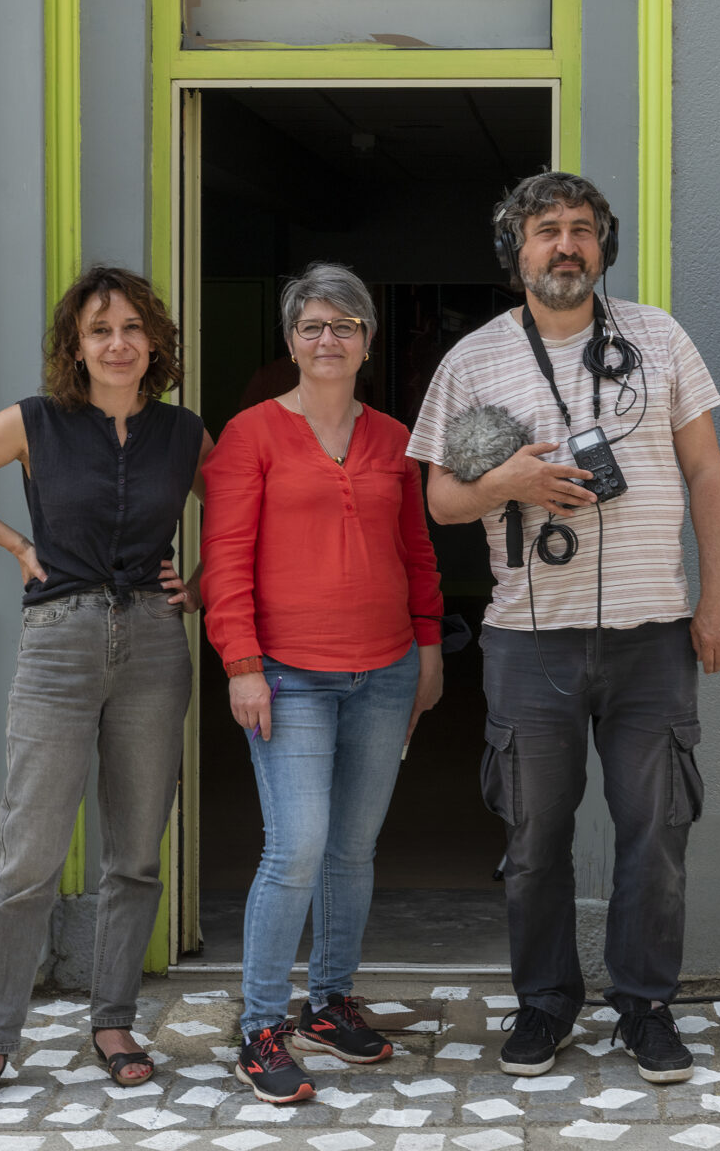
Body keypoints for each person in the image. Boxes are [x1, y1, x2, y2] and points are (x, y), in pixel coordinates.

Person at [406, 171, 720, 1085]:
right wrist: (505, 486)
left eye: (582, 230)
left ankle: (645, 1008)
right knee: (533, 838)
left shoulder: (661, 337)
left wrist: (717, 596)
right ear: (516, 250)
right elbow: (438, 499)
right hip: (528, 638)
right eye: (546, 230)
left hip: (654, 634)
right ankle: (545, 1006)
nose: (566, 245)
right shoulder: (472, 359)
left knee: (656, 832)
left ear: (605, 246)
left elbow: (708, 473)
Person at [0, 266, 211, 1111]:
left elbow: (239, 509)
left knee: (136, 851)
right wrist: (13, 542)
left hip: (154, 644)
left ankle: (113, 1022)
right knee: (29, 854)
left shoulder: (186, 431)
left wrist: (205, 580)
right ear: (74, 348)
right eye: (98, 330)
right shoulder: (34, 423)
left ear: (153, 341)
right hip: (58, 642)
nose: (117, 344)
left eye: (130, 328)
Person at [202, 262, 445, 1105]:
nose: (328, 340)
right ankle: (260, 1026)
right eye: (312, 326)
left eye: (344, 326)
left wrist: (431, 652)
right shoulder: (250, 436)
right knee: (296, 846)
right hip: (287, 675)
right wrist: (240, 664)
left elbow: (418, 555)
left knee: (352, 849)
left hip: (385, 671)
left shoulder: (394, 439)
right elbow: (224, 562)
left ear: (368, 341)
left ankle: (330, 1002)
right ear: (291, 341)